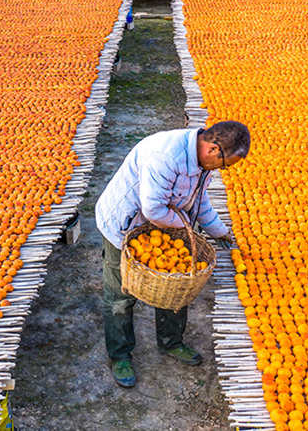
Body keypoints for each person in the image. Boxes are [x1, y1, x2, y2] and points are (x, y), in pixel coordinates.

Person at [95, 121, 250, 387]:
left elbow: (199, 201)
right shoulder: (166, 156)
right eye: (225, 165)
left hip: (164, 225)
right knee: (120, 293)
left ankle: (171, 342)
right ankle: (120, 355)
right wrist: (187, 229)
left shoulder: (202, 162)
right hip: (125, 225)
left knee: (176, 286)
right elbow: (154, 209)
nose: (223, 170)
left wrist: (219, 231)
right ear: (213, 149)